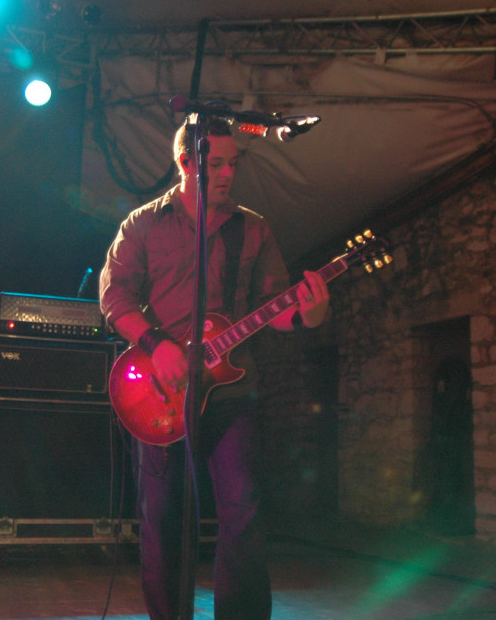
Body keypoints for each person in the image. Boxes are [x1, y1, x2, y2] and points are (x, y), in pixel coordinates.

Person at [99, 116, 329, 620]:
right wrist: (157, 343)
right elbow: (115, 297)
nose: (228, 174)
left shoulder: (253, 228)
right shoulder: (143, 224)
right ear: (187, 163)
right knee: (162, 520)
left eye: (233, 164)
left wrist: (307, 314)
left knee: (243, 513)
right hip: (161, 391)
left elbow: (274, 306)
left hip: (231, 391)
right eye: (217, 165)